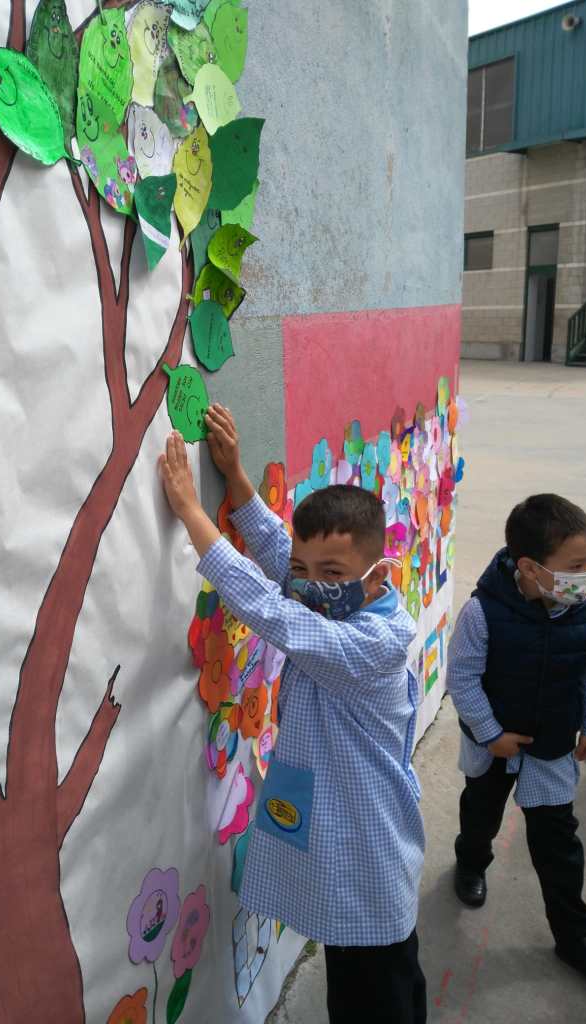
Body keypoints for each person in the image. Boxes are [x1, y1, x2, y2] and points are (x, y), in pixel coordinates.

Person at [159, 405, 427, 1024]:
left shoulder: (369, 646)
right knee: (364, 983)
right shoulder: (343, 601)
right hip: (350, 849)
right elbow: (285, 559)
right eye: (307, 572)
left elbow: (273, 611)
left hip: (368, 856)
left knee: (378, 996)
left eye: (332, 573)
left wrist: (192, 514)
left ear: (377, 574)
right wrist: (236, 479)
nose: (311, 584)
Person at [448, 493, 586, 984]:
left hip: (551, 747)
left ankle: (576, 937)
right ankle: (471, 862)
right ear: (531, 568)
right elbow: (462, 679)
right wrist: (490, 734)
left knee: (559, 845)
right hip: (493, 747)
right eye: (576, 566)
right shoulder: (482, 613)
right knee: (481, 814)